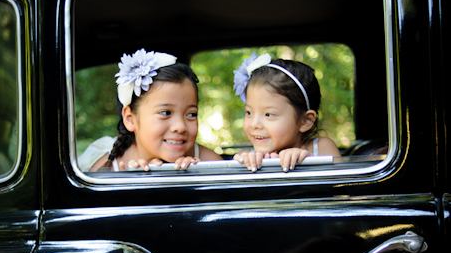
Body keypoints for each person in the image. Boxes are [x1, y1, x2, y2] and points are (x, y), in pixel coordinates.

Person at [85, 49, 221, 171]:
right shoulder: (106, 168)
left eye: (191, 114)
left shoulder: (211, 163)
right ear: (130, 118)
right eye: (166, 112)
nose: (180, 127)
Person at [232, 52, 341, 172]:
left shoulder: (321, 148)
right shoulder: (247, 157)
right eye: (249, 113)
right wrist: (246, 164)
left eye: (269, 114)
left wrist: (304, 161)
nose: (254, 124)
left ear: (306, 121)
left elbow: (340, 185)